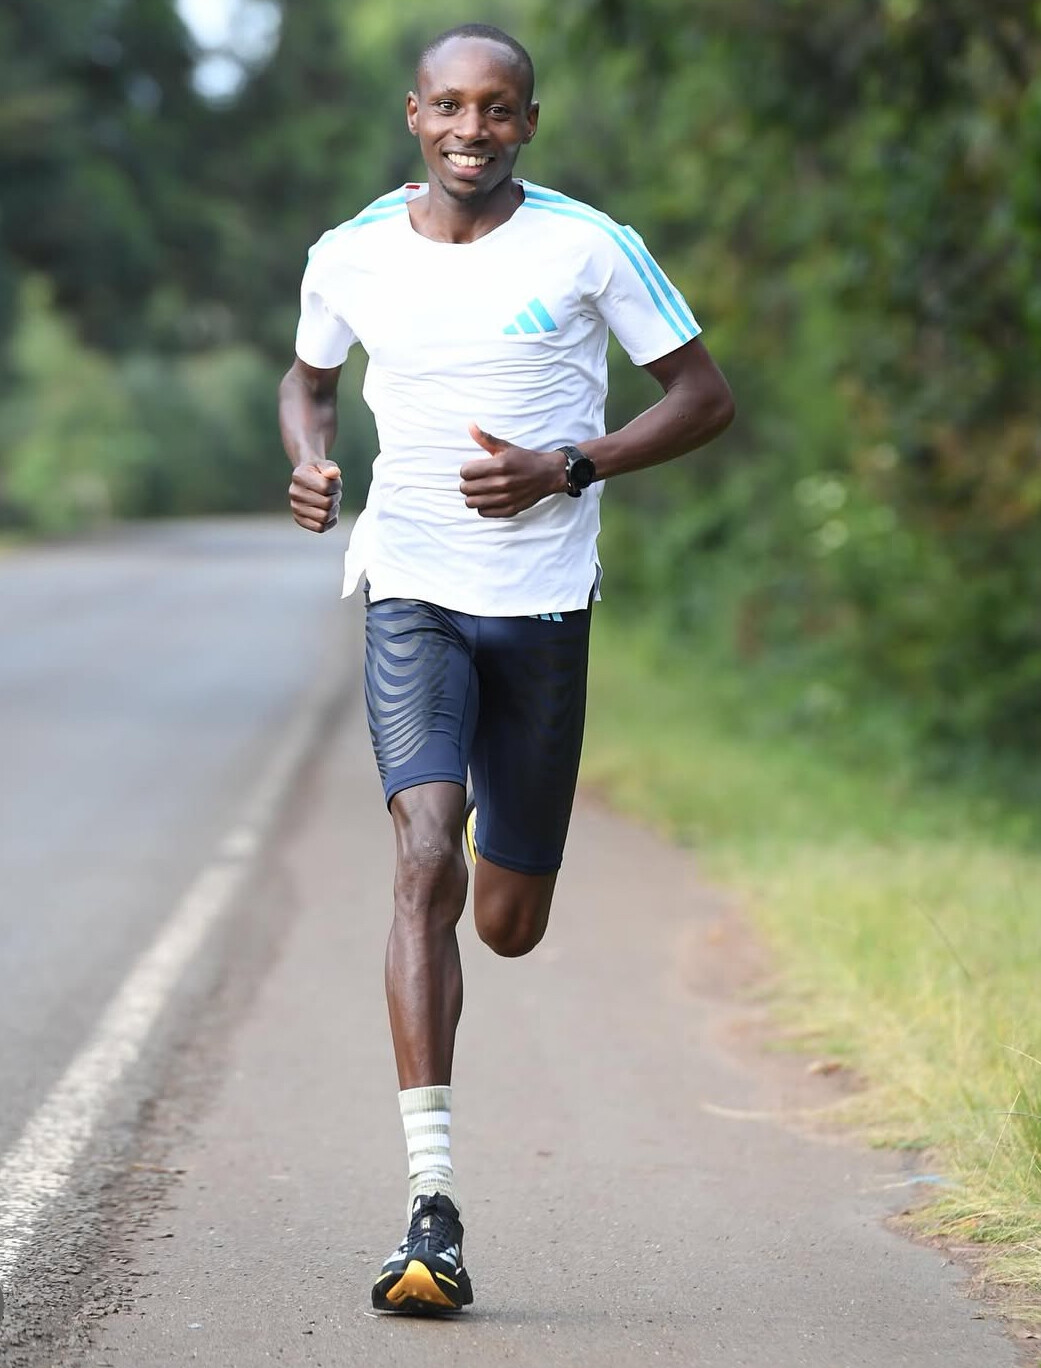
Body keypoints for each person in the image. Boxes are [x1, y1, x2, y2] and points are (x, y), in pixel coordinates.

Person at [278, 22, 734, 1316]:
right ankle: (429, 1207)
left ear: (527, 122)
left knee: (505, 922)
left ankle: (507, 862)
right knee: (422, 856)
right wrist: (309, 459)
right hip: (411, 589)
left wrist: (569, 465)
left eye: (495, 109)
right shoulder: (350, 250)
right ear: (413, 114)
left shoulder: (591, 246)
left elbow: (703, 398)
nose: (469, 130)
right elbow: (307, 380)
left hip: (538, 609)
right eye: (448, 107)